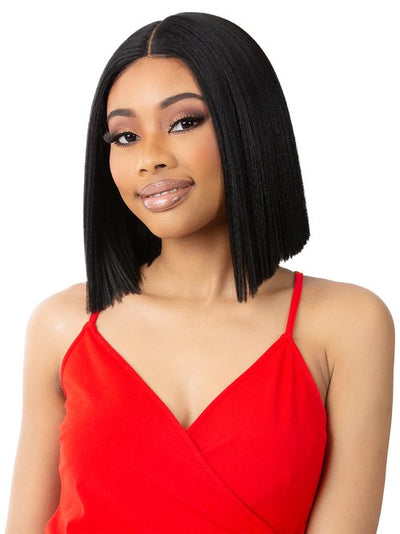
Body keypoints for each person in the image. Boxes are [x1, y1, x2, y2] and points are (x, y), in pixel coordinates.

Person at [5, 11, 394, 534]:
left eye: (184, 123)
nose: (150, 158)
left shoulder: (347, 324)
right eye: (125, 136)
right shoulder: (63, 325)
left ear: (248, 126)